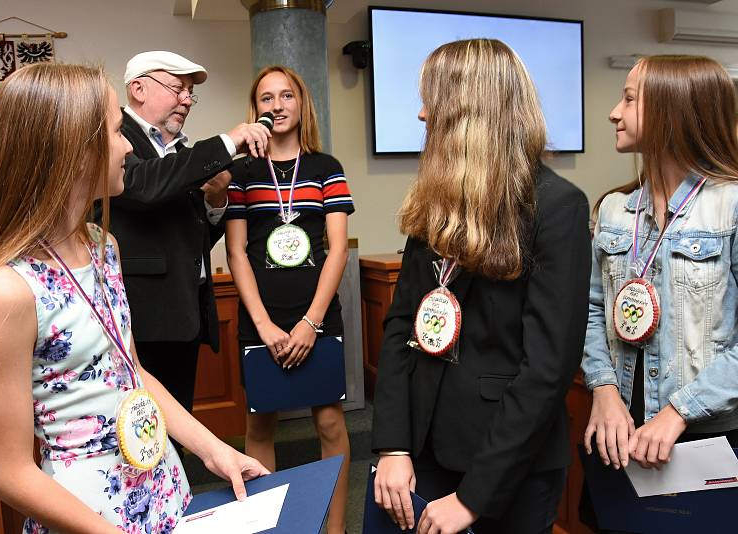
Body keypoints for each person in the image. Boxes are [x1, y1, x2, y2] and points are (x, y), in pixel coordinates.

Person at [0, 63, 268, 533]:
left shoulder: (102, 245)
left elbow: (132, 374)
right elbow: (7, 472)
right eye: (116, 132)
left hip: (160, 488)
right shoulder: (7, 291)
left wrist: (217, 451)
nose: (129, 146)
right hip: (89, 517)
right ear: (72, 150)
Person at [371, 39, 591, 534]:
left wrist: (473, 498)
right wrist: (392, 445)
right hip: (422, 445)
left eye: (432, 99)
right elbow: (401, 324)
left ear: (468, 110)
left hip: (507, 462)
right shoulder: (433, 202)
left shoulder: (557, 207)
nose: (423, 114)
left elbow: (547, 370)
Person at [581, 55, 738, 526]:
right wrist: (603, 390)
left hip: (707, 435)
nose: (614, 112)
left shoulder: (730, 207)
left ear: (674, 111)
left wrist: (677, 412)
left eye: (629, 99)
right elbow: (592, 313)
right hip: (618, 433)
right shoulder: (612, 210)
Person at [224, 65, 354, 534]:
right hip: (261, 319)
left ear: (302, 104)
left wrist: (310, 323)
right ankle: (272, 528)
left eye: (286, 96)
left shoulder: (326, 167)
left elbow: (338, 248)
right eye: (266, 98)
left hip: (316, 316)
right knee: (259, 426)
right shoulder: (241, 171)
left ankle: (335, 529)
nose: (276, 106)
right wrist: (264, 327)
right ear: (255, 107)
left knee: (330, 424)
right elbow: (236, 251)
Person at [112, 51, 272, 416]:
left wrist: (216, 203)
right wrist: (228, 142)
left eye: (189, 93)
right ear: (138, 88)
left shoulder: (181, 152)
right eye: (177, 88)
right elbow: (141, 186)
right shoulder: (118, 138)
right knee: (142, 431)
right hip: (143, 320)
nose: (186, 99)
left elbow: (190, 233)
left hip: (186, 313)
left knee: (178, 425)